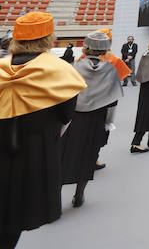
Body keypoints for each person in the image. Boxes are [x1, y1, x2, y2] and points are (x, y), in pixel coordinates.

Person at [0, 12, 86, 248]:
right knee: (15, 219)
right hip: (34, 153)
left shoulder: (1, 67)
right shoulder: (59, 70)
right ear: (48, 37)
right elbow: (66, 116)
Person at [60, 31, 121, 208]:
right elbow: (113, 101)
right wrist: (109, 122)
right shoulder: (110, 70)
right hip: (97, 119)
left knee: (64, 156)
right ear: (105, 49)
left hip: (73, 118)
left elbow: (64, 95)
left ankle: (55, 197)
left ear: (86, 47)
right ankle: (79, 195)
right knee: (89, 156)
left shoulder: (75, 67)